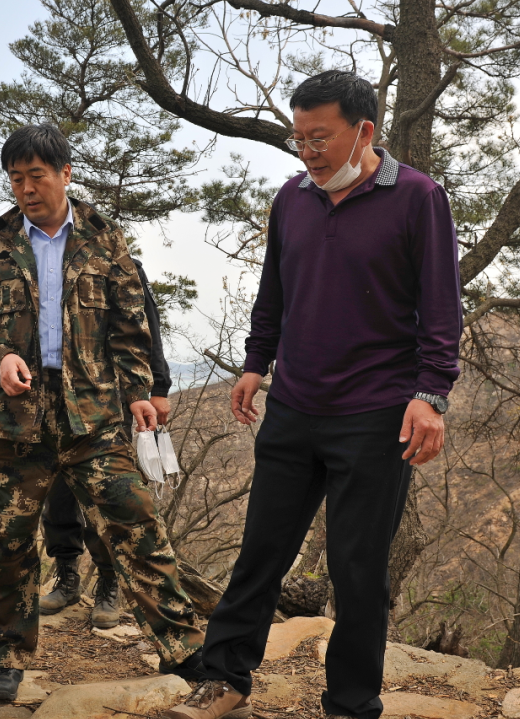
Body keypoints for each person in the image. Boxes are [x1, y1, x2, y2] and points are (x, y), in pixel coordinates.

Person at [165, 71, 461, 719]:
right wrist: (254, 363)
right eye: (298, 138)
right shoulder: (291, 198)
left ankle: (350, 704)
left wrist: (431, 393)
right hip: (293, 406)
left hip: (376, 414)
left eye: (319, 137)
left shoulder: (418, 198)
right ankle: (225, 679)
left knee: (357, 570)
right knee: (259, 553)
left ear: (364, 130)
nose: (307, 151)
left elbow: (441, 308)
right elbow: (273, 291)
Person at [0, 124, 205, 702]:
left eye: (36, 176)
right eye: (16, 178)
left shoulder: (104, 238)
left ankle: (186, 648)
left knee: (136, 525)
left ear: (65, 174)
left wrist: (139, 391)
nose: (26, 189)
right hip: (14, 417)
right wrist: (2, 353)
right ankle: (6, 655)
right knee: (7, 540)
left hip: (92, 414)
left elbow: (131, 327)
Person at [39, 257, 174, 630]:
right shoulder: (40, 261)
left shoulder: (121, 264)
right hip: (50, 399)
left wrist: (159, 387)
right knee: (58, 494)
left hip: (107, 400)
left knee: (108, 497)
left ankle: (108, 583)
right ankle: (67, 577)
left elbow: (147, 327)